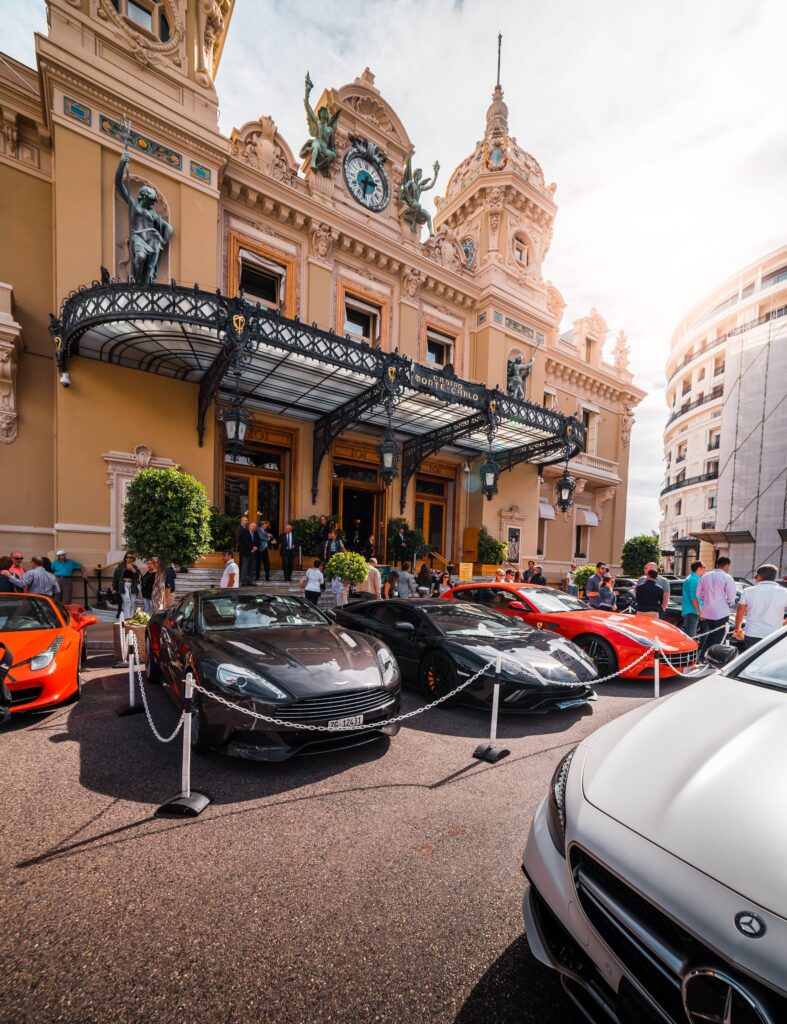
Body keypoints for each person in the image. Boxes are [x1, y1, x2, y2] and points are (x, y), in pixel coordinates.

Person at [733, 564, 787, 649]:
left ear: (759, 576)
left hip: (752, 633)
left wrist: (737, 629)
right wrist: (784, 623)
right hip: (774, 633)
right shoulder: (784, 592)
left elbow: (740, 612)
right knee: (771, 660)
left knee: (752, 660)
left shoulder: (748, 591)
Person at [696, 556, 736, 658]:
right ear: (727, 565)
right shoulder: (727, 577)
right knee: (719, 636)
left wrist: (706, 599)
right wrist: (727, 602)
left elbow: (698, 594)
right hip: (721, 612)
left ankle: (702, 656)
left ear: (717, 564)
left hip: (707, 612)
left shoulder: (704, 576)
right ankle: (710, 658)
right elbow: (731, 597)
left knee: (712, 634)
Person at [681, 560, 705, 638]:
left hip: (691, 611)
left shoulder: (693, 578)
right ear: (699, 568)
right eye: (704, 567)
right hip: (692, 612)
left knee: (691, 636)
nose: (705, 569)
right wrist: (700, 611)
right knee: (691, 637)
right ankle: (690, 651)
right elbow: (694, 598)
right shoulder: (693, 579)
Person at [112, 553, 140, 619]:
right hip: (123, 585)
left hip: (132, 585)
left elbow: (138, 577)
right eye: (127, 557)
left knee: (133, 602)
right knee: (127, 601)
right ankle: (126, 617)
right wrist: (114, 588)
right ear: (125, 558)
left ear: (133, 559)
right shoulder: (120, 566)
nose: (128, 559)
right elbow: (116, 577)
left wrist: (133, 570)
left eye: (130, 557)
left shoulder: (135, 567)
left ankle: (131, 617)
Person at [236, 515, 257, 587]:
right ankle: (243, 581)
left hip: (253, 553)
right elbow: (242, 541)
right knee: (244, 567)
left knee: (251, 567)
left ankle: (250, 581)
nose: (253, 527)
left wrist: (256, 547)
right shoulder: (242, 530)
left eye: (254, 526)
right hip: (245, 552)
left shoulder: (255, 533)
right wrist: (252, 547)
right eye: (252, 526)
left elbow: (258, 541)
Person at [254, 519, 274, 583]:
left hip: (265, 549)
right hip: (259, 549)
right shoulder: (258, 530)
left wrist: (270, 536)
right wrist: (268, 538)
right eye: (265, 525)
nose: (266, 526)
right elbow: (261, 537)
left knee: (267, 563)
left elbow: (270, 535)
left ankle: (267, 577)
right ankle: (257, 576)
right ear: (262, 525)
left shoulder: (265, 531)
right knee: (258, 564)